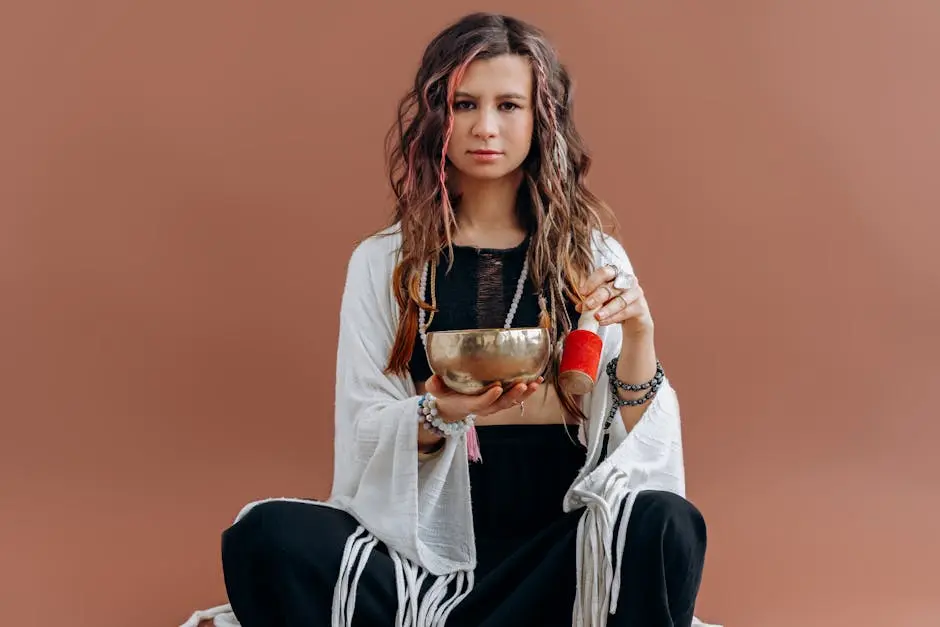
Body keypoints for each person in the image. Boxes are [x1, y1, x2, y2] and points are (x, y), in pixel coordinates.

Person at [181, 12, 720, 627]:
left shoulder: (592, 255)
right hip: (421, 560)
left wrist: (642, 334)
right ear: (439, 115)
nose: (485, 127)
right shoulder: (385, 262)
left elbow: (641, 448)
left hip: (560, 549)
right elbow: (362, 432)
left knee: (666, 524)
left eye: (509, 105)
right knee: (266, 535)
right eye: (465, 104)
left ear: (541, 119)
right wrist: (438, 411)